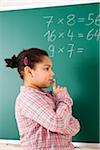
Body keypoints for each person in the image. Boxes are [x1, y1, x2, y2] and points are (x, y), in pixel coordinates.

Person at [5, 48, 80, 150]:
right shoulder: (28, 98)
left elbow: (75, 127)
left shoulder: (49, 98)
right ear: (29, 72)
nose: (52, 73)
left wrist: (62, 120)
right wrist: (63, 99)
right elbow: (58, 124)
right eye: (46, 68)